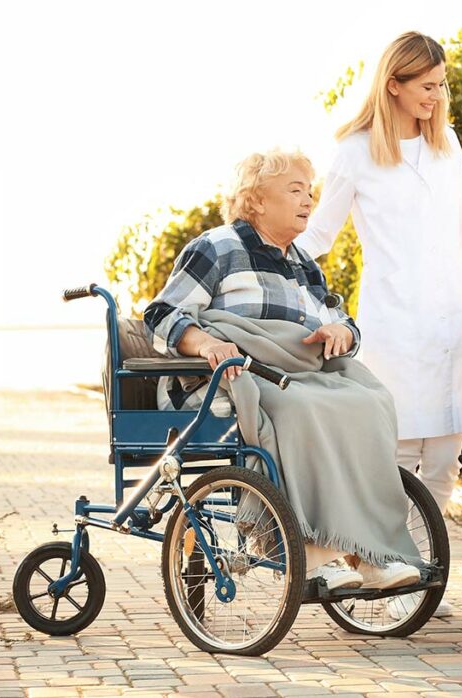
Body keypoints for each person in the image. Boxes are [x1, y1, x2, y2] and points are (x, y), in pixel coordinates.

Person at [298, 32, 462, 616]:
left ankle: (421, 575)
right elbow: (316, 238)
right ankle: (385, 571)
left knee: (444, 457)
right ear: (393, 84)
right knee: (394, 456)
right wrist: (273, 275)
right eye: (427, 86)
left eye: (442, 86)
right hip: (391, 323)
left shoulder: (449, 147)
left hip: (451, 323)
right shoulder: (355, 152)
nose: (438, 96)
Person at [144, 149, 423, 592]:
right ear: (256, 200)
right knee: (300, 410)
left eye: (309, 191)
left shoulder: (302, 263)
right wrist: (206, 341)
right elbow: (160, 314)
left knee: (369, 403)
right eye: (295, 190)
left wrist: (341, 333)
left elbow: (341, 318)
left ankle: (367, 551)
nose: (308, 200)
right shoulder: (216, 247)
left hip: (298, 372)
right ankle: (315, 553)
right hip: (229, 379)